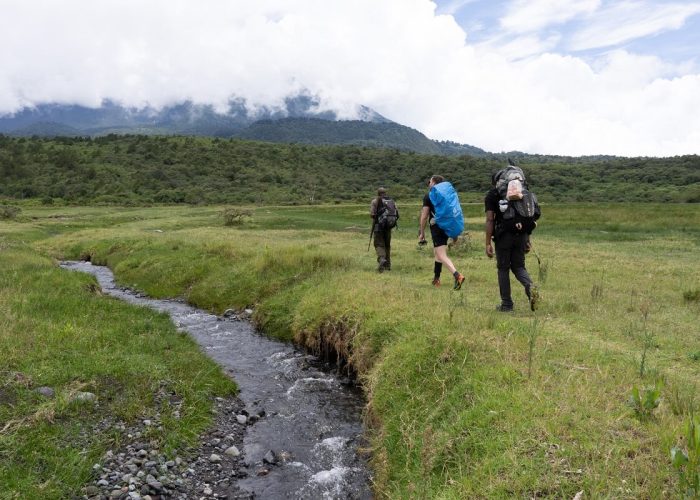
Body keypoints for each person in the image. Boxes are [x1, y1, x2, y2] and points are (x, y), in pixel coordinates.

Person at [484, 171, 538, 311]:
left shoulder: (493, 194)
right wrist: (527, 239)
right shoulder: (523, 192)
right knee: (519, 267)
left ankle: (507, 304)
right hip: (521, 235)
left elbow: (490, 219)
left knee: (503, 269)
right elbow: (527, 217)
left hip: (503, 236)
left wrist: (488, 242)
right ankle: (531, 288)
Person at [418, 175, 465, 290]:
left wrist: (422, 232)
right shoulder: (448, 194)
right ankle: (436, 279)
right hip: (447, 225)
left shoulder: (429, 196)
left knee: (441, 254)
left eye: (429, 181)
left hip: (437, 227)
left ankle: (457, 275)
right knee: (438, 253)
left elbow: (424, 216)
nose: (428, 183)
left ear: (433, 182)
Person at [369, 187, 397, 272]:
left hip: (378, 227)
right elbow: (396, 213)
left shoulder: (375, 201)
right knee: (387, 245)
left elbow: (372, 214)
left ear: (378, 193)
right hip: (388, 227)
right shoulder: (391, 201)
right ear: (385, 193)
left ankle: (381, 259)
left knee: (378, 244)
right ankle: (388, 266)